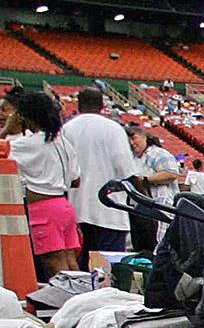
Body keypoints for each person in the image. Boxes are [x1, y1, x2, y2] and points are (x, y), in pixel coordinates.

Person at [1, 86, 80, 281]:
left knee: (58, 269)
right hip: (64, 207)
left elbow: (3, 149)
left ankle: (69, 306)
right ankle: (83, 302)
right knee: (72, 264)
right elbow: (76, 179)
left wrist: (6, 130)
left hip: (43, 209)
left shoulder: (28, 143)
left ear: (27, 117)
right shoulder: (61, 141)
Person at [62, 87, 137, 265]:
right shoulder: (113, 129)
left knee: (81, 270)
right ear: (102, 105)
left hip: (77, 209)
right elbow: (126, 170)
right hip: (109, 212)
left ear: (79, 104)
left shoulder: (67, 128)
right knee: (107, 273)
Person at [127, 127, 181, 249]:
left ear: (144, 137)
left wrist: (145, 179)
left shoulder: (158, 153)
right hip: (139, 208)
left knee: (158, 244)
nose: (131, 143)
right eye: (128, 140)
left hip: (160, 206)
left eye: (134, 138)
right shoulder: (133, 158)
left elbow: (171, 174)